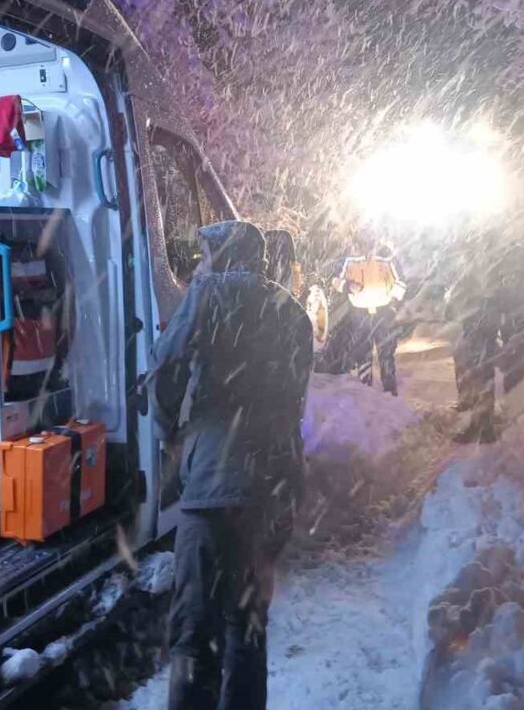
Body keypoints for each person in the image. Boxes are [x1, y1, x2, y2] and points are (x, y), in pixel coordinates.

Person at [148, 220, 314, 710]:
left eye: (206, 254)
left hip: (213, 480)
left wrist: (173, 435)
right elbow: (294, 399)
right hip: (271, 484)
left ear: (220, 256)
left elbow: (166, 368)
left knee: (194, 627)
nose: (200, 264)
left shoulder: (207, 294)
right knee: (247, 623)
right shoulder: (294, 312)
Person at [447, 243, 524, 443]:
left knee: (508, 377)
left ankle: (505, 427)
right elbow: (495, 303)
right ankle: (488, 425)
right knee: (491, 377)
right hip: (503, 332)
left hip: (519, 332)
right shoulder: (502, 274)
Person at [331, 239, 405, 395]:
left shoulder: (386, 259)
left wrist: (393, 301)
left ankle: (390, 389)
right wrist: (348, 286)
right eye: (362, 243)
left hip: (383, 312)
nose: (365, 248)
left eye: (368, 243)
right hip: (359, 313)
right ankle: (365, 386)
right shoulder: (348, 260)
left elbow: (400, 281)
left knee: (386, 350)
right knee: (362, 350)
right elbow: (335, 280)